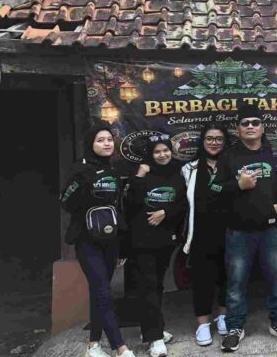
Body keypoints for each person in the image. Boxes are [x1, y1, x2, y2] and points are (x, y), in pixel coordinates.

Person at [213, 104, 277, 352]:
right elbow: (214, 188)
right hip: (238, 232)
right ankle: (235, 327)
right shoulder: (228, 156)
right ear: (238, 129)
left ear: (262, 127)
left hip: (270, 231)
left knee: (276, 281)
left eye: (255, 122)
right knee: (236, 284)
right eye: (245, 123)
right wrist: (237, 185)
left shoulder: (275, 155)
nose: (250, 126)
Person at [60, 124, 136, 357]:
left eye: (109, 139)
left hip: (111, 239)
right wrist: (84, 184)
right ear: (90, 144)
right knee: (103, 292)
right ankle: (120, 348)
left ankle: (93, 345)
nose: (106, 143)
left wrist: (123, 245)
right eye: (100, 140)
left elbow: (117, 208)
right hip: (87, 239)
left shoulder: (114, 170)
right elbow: (65, 201)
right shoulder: (79, 169)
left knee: (98, 291)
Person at [124, 134, 185, 357]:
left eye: (165, 150)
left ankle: (152, 328)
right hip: (142, 240)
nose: (162, 155)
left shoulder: (177, 174)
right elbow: (130, 204)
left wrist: (165, 212)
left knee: (157, 285)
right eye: (157, 152)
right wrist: (139, 177)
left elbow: (183, 204)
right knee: (148, 286)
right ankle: (155, 338)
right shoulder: (142, 174)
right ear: (150, 154)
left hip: (165, 240)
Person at [181, 123, 230, 346]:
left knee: (228, 277)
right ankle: (202, 324)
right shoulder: (189, 168)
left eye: (219, 138)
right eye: (209, 138)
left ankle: (223, 317)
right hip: (200, 234)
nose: (214, 142)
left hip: (230, 231)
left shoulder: (233, 164)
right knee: (202, 280)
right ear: (202, 141)